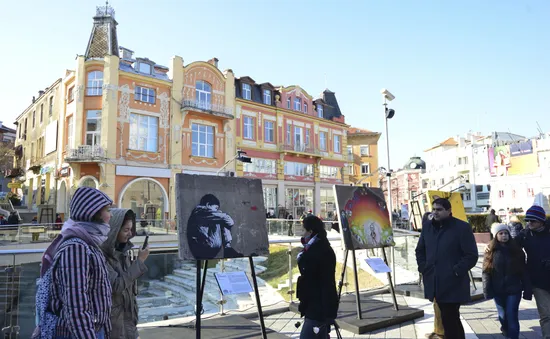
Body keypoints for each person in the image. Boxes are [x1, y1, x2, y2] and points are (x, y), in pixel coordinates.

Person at [37, 187, 113, 339]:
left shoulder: (88, 242)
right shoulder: (76, 247)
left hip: (91, 329)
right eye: (107, 210)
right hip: (77, 333)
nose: (110, 216)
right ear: (93, 212)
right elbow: (76, 307)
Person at [415, 198, 478, 339]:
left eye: (439, 209)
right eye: (433, 209)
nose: (435, 212)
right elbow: (420, 250)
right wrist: (423, 267)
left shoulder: (461, 227)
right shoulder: (427, 227)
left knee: (449, 318)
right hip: (434, 280)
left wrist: (456, 270)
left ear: (449, 211)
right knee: (451, 318)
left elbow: (471, 255)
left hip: (453, 282)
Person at [102, 208, 150, 339]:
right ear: (114, 230)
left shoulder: (125, 252)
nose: (129, 234)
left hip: (129, 325)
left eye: (131, 230)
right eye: (125, 230)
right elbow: (117, 286)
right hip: (114, 328)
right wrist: (140, 261)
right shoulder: (104, 257)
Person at [483, 223, 532, 339]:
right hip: (497, 290)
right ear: (495, 236)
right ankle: (505, 329)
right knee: (502, 316)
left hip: (514, 289)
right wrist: (487, 290)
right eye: (501, 233)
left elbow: (523, 271)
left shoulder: (516, 251)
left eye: (506, 233)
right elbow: (486, 271)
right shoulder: (490, 250)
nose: (504, 236)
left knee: (512, 314)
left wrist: (527, 289)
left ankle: (513, 336)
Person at [296, 215, 338, 339]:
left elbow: (318, 280)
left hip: (317, 306)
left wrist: (301, 259)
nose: (302, 234)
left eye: (304, 230)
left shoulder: (318, 251)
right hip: (319, 304)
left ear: (311, 231)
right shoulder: (320, 246)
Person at [515, 205, 550, 338]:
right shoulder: (525, 235)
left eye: (532, 221)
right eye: (527, 220)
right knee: (546, 314)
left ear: (541, 221)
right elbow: (509, 247)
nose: (529, 223)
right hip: (537, 280)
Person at [187, 194, 241, 258]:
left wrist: (219, 214)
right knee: (221, 220)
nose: (216, 210)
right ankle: (227, 248)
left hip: (208, 247)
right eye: (216, 208)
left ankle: (228, 248)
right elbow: (230, 221)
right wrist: (220, 214)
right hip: (201, 249)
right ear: (208, 205)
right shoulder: (200, 212)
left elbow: (227, 221)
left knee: (220, 221)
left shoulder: (209, 215)